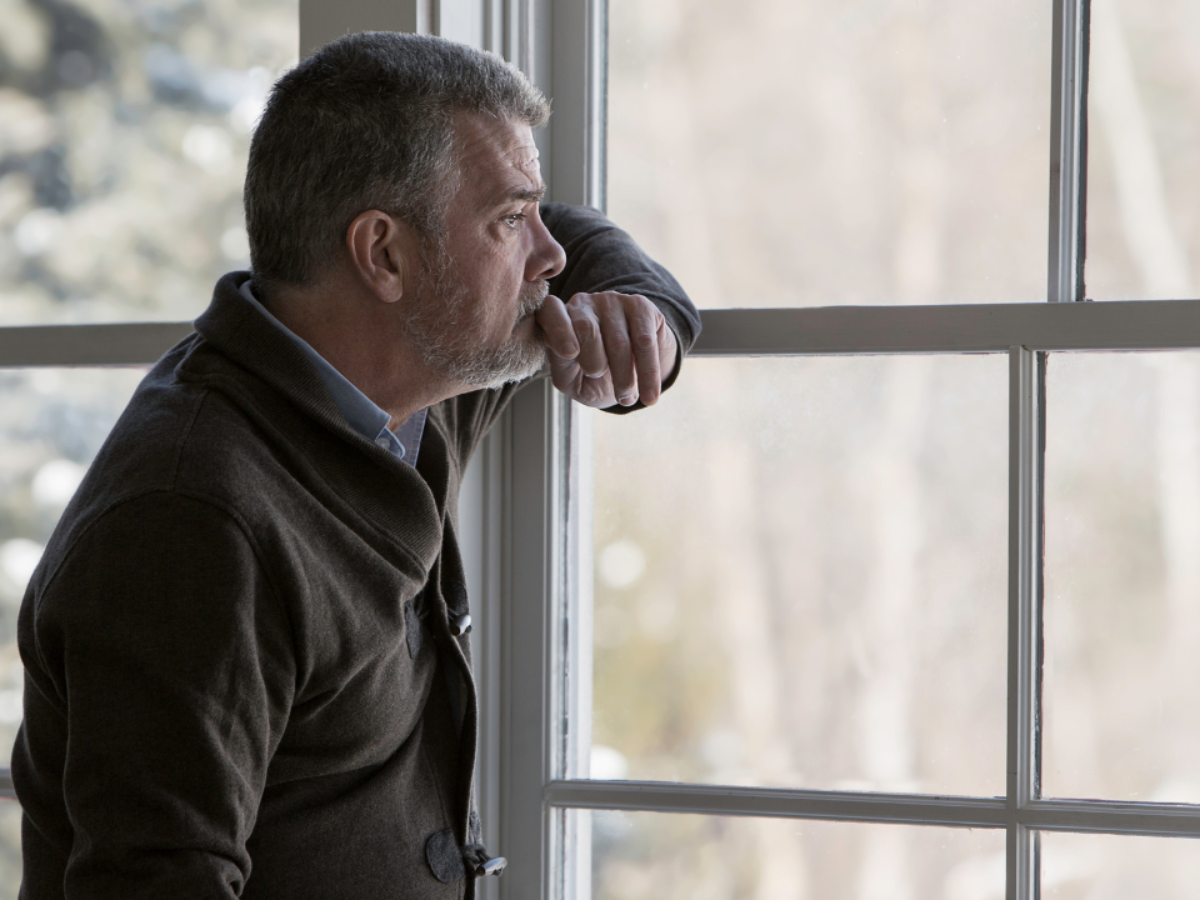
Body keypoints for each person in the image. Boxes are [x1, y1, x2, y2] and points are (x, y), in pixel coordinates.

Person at [11, 31, 699, 900]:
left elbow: (574, 237)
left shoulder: (409, 362)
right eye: (508, 221)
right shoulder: (188, 524)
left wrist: (641, 315)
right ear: (384, 255)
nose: (549, 258)